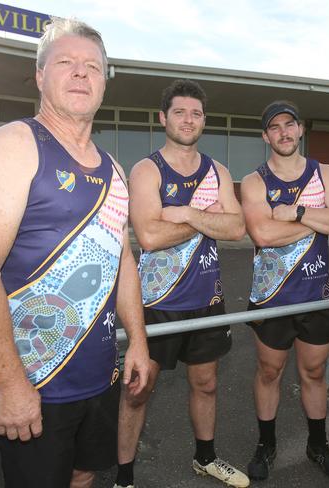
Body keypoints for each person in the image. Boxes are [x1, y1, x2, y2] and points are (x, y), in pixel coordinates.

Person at [0, 18, 150, 488]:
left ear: (105, 80)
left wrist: (138, 340)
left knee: (84, 476)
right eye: (66, 63)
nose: (81, 73)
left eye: (93, 66)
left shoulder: (114, 169)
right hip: (36, 382)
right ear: (40, 76)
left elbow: (121, 261)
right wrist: (8, 384)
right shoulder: (14, 145)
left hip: (100, 375)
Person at [114, 79, 249, 488]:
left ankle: (205, 458)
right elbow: (150, 236)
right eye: (179, 112)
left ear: (203, 119)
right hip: (157, 302)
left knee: (205, 383)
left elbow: (238, 227)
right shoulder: (147, 169)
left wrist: (183, 212)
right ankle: (124, 478)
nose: (188, 119)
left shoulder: (218, 171)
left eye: (195, 113)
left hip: (207, 301)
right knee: (139, 390)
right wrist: (206, 218)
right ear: (163, 118)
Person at [240, 100, 329, 481]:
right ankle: (266, 444)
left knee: (314, 371)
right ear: (265, 136)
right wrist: (322, 222)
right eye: (275, 127)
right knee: (269, 372)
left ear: (301, 129)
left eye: (289, 124)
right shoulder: (256, 180)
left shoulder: (325, 174)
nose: (284, 132)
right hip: (272, 298)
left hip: (317, 295)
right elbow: (263, 233)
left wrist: (300, 213)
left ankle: (317, 445)